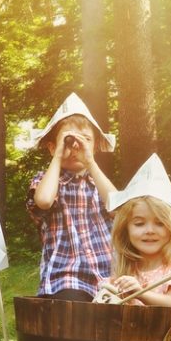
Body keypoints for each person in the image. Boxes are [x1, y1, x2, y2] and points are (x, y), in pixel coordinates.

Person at [27, 93, 118, 301]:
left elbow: (119, 208)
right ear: (52, 148)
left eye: (85, 140)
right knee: (73, 315)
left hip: (108, 275)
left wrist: (90, 162)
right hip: (66, 276)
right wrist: (59, 155)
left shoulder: (98, 182)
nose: (76, 147)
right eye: (69, 141)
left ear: (94, 147)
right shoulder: (48, 181)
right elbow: (43, 200)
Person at [104, 154, 171, 307]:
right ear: (125, 229)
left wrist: (140, 293)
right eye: (139, 224)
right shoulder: (128, 272)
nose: (150, 231)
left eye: (160, 223)